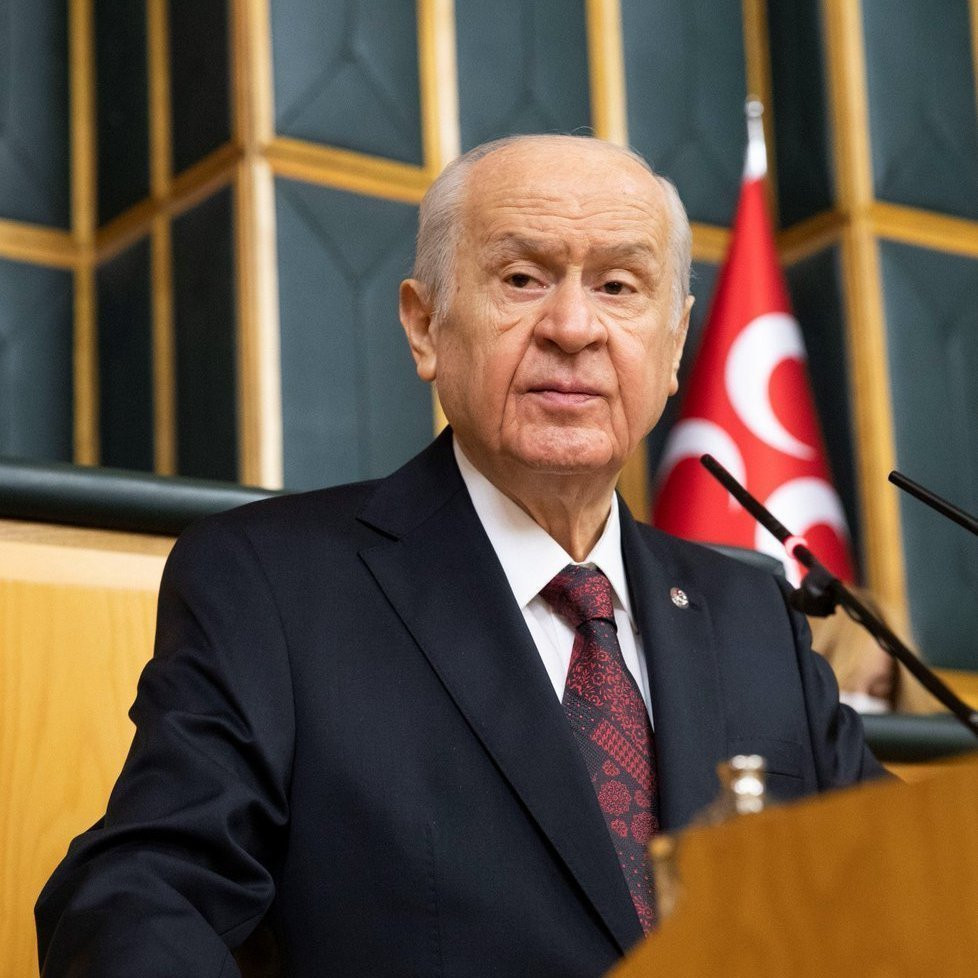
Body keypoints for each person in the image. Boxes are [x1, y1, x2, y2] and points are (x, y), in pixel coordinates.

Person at [36, 134, 885, 977]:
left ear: (673, 345)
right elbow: (139, 897)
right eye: (522, 278)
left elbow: (897, 885)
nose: (573, 327)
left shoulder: (755, 619)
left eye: (618, 286)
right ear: (424, 326)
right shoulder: (273, 586)